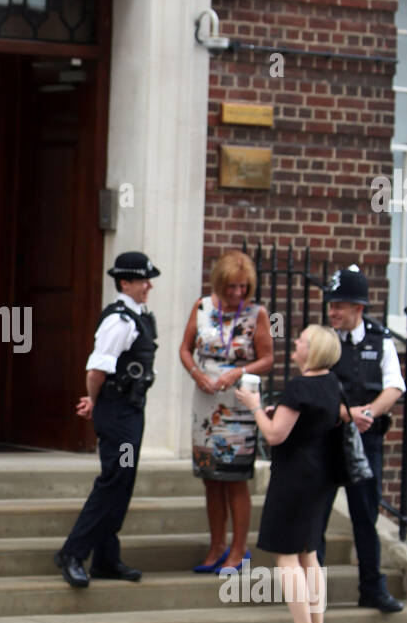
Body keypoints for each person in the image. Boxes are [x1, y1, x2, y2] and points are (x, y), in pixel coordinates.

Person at [54, 251, 159, 588]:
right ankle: (72, 552)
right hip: (117, 414)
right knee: (115, 478)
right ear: (125, 282)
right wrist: (95, 402)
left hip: (128, 411)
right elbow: (98, 368)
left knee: (123, 480)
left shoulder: (137, 316)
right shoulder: (120, 320)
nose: (149, 286)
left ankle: (106, 557)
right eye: (143, 280)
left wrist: (94, 401)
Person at [236, 325, 342, 623]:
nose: (295, 342)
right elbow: (306, 425)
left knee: (286, 556)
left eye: (302, 340)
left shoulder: (299, 386)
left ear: (314, 351)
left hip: (294, 478)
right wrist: (274, 414)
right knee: (309, 553)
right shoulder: (331, 384)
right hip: (320, 476)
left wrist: (254, 406)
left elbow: (274, 435)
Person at [317, 264, 405, 613]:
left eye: (340, 305)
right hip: (326, 440)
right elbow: (312, 387)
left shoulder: (380, 340)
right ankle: (313, 595)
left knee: (365, 516)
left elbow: (395, 385)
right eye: (331, 304)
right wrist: (346, 414)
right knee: (317, 517)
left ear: (359, 308)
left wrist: (369, 412)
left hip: (365, 443)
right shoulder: (322, 340)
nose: (333, 311)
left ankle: (372, 588)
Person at [179, 250, 273, 573]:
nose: (237, 294)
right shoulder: (201, 307)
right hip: (205, 403)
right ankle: (216, 544)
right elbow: (185, 348)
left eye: (243, 288)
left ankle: (239, 549)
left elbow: (268, 359)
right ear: (219, 283)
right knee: (210, 478)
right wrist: (196, 373)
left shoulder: (256, 314)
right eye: (231, 287)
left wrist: (239, 371)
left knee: (234, 480)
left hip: (237, 407)